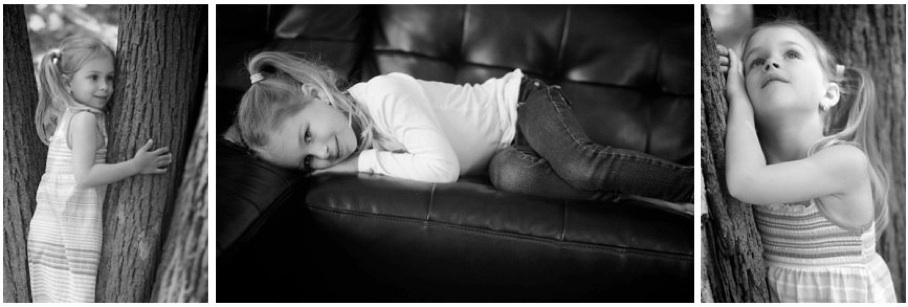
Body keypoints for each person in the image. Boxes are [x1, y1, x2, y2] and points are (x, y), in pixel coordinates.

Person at [227, 51, 693, 206]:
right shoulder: (355, 139)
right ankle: (641, 196)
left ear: (316, 95)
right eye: (306, 161)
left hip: (522, 104)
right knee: (513, 178)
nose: (323, 156)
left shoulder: (385, 94)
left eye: (309, 135)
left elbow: (443, 168)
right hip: (501, 154)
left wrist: (363, 162)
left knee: (580, 165)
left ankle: (693, 189)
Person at [719, 20, 896, 302]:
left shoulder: (845, 162)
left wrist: (737, 95)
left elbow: (745, 182)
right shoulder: (750, 159)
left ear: (829, 93)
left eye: (791, 54)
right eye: (755, 62)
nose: (771, 64)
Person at [27, 36, 173, 302]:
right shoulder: (83, 119)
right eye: (93, 77)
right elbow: (85, 177)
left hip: (58, 226)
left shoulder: (79, 114)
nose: (105, 87)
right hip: (65, 231)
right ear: (67, 82)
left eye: (110, 78)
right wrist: (136, 166)